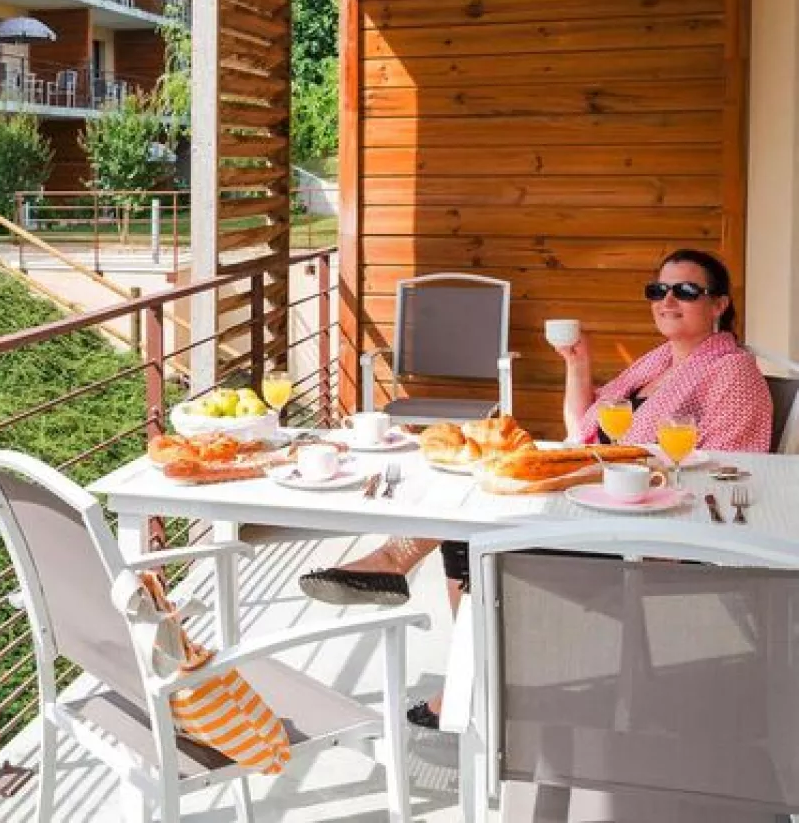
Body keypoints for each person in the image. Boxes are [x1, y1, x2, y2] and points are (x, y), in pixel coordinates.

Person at [296, 248, 772, 729]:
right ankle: (468, 668)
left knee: (478, 525)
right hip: (608, 499)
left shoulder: (732, 371)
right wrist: (577, 364)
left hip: (648, 532)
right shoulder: (660, 362)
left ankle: (465, 673)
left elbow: (723, 469)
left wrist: (607, 474)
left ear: (719, 305)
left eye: (686, 291)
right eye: (658, 289)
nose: (667, 300)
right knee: (478, 507)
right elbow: (584, 429)